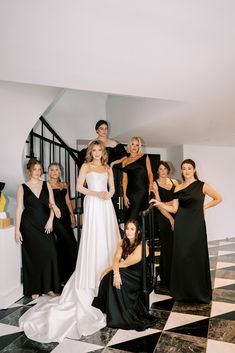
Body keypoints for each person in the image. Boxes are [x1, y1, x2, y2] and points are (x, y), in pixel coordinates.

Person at [19, 140, 121, 343]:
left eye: (100, 150)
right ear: (91, 152)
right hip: (93, 202)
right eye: (94, 150)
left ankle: (109, 273)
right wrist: (97, 194)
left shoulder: (108, 167)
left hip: (105, 205)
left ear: (103, 152)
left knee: (108, 238)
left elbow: (113, 190)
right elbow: (79, 188)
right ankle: (90, 275)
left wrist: (107, 195)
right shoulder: (85, 166)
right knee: (93, 238)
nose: (97, 152)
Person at [150, 159, 222, 303]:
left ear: (194, 170)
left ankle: (198, 291)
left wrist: (204, 207)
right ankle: (182, 291)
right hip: (181, 224)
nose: (186, 171)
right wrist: (160, 204)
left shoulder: (202, 186)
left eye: (189, 168)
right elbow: (175, 209)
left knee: (195, 255)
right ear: (181, 171)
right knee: (182, 256)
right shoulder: (178, 187)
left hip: (196, 225)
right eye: (184, 168)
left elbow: (218, 198)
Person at [92, 219, 157, 330]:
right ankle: (108, 307)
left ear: (138, 232)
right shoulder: (123, 242)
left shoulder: (142, 246)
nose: (128, 232)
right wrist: (114, 271)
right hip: (127, 271)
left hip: (139, 277)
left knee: (113, 274)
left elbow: (126, 263)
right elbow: (116, 258)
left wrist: (110, 269)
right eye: (127, 228)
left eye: (132, 229)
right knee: (109, 277)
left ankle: (118, 315)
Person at [15, 159, 61, 299]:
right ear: (29, 171)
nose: (38, 172)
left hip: (45, 225)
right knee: (33, 258)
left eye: (40, 169)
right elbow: (19, 209)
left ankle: (50, 288)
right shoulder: (22, 187)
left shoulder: (46, 184)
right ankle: (34, 288)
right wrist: (17, 230)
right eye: (35, 169)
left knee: (50, 254)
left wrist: (51, 220)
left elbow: (52, 204)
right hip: (29, 226)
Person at [48, 163, 78, 286]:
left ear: (60, 172)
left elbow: (67, 201)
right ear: (49, 172)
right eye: (52, 170)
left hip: (65, 217)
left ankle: (61, 279)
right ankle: (71, 275)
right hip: (55, 218)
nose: (54, 172)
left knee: (61, 246)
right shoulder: (46, 185)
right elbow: (47, 203)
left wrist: (72, 216)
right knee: (72, 244)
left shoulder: (64, 184)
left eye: (57, 170)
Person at [153, 161, 179, 289]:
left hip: (177, 215)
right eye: (160, 169)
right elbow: (158, 205)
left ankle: (177, 274)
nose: (162, 171)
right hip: (163, 217)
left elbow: (179, 200)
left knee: (177, 246)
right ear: (157, 171)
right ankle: (165, 276)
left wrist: (166, 203)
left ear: (168, 170)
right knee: (166, 246)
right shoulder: (155, 184)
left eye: (164, 169)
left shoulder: (175, 182)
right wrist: (170, 218)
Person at [122, 137, 153, 222]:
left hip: (142, 190)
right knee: (130, 213)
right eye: (133, 144)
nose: (134, 147)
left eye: (137, 145)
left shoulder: (145, 157)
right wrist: (124, 195)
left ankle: (138, 233)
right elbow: (124, 180)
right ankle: (131, 233)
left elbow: (150, 173)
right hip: (130, 192)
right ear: (129, 146)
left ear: (139, 147)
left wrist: (150, 185)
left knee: (137, 214)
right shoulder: (125, 161)